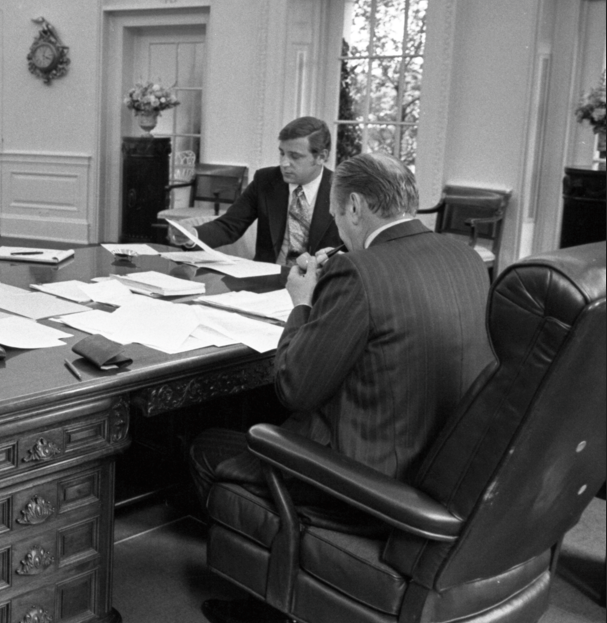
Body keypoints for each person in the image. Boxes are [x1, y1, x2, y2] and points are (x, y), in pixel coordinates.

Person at [189, 152, 494, 623]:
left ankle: (269, 605)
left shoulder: (359, 273)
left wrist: (303, 303)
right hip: (442, 468)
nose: (338, 227)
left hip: (364, 484)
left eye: (335, 215)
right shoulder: (467, 258)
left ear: (354, 207)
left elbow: (294, 388)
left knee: (208, 445)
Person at [195, 116, 340, 265]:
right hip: (267, 279)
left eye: (294, 156)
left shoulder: (342, 191)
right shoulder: (265, 181)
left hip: (320, 282)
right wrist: (191, 235)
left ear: (321, 157)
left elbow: (355, 249)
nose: (284, 163)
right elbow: (229, 226)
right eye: (282, 153)